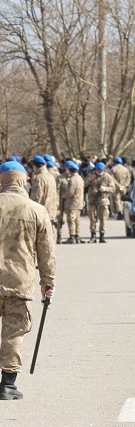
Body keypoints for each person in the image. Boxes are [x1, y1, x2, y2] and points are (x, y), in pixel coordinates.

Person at [0, 161, 55, 400]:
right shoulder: (36, 210)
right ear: (24, 180)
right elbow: (46, 251)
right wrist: (48, 281)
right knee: (14, 332)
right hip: (19, 281)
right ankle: (7, 384)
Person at [28, 157, 60, 244]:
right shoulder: (50, 176)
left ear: (35, 165)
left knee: (41, 238)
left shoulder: (39, 178)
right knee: (49, 236)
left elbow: (36, 196)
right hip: (51, 210)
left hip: (41, 211)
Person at [86, 161, 116, 242]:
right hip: (92, 200)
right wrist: (89, 180)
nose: (99, 172)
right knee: (92, 218)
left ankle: (102, 236)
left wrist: (105, 189)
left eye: (101, 170)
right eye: (98, 170)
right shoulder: (92, 175)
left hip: (103, 200)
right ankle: (93, 236)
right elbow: (84, 185)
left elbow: (113, 188)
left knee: (103, 218)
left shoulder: (107, 177)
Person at [60, 161, 84, 244]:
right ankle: (77, 235)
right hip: (79, 202)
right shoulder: (80, 178)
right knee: (77, 219)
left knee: (71, 219)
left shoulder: (72, 180)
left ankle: (72, 236)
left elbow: (70, 192)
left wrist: (63, 195)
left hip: (72, 202)